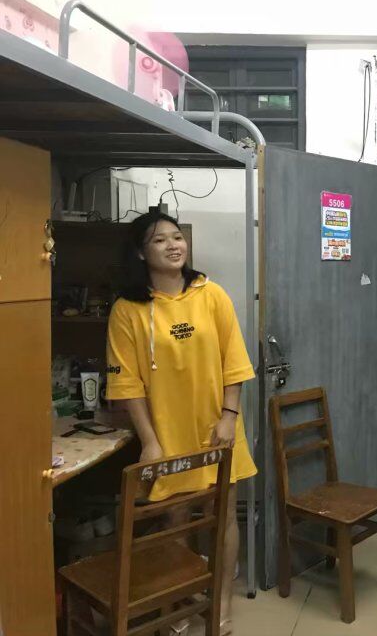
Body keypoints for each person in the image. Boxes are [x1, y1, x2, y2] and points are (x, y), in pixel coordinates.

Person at [106, 212, 256, 636]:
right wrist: (149, 441)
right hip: (166, 432)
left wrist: (228, 417)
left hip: (218, 427)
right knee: (175, 518)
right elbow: (128, 384)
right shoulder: (128, 310)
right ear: (141, 252)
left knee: (222, 514)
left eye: (177, 237)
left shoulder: (212, 294)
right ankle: (180, 599)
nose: (173, 245)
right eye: (159, 240)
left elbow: (234, 363)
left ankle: (221, 600)